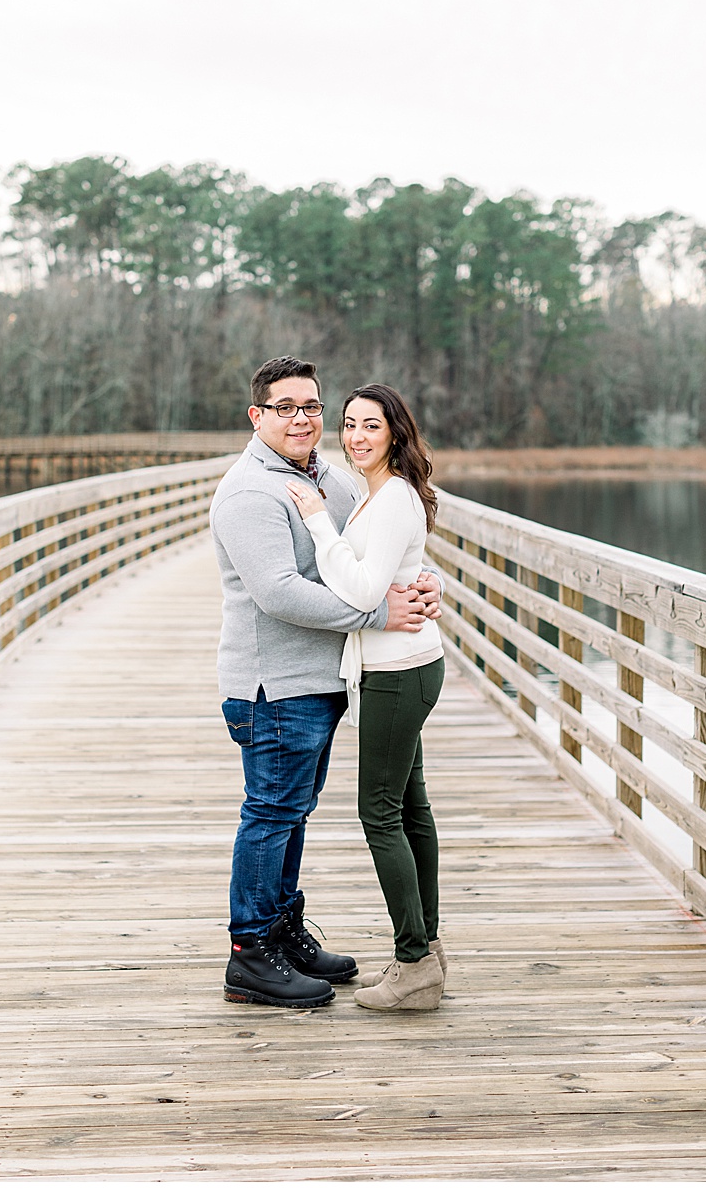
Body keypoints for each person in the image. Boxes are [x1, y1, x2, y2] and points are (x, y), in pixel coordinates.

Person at [211, 356, 442, 1009]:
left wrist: (426, 585)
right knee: (271, 812)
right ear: (257, 416)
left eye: (311, 406)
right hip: (274, 684)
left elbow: (380, 548)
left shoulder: (330, 478)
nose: (301, 419)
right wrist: (378, 614)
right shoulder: (252, 492)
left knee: (293, 810)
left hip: (324, 677)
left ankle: (283, 932)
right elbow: (279, 592)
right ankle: (251, 952)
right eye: (284, 408)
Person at [287, 384, 447, 1012]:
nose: (356, 436)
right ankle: (427, 948)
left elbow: (361, 590)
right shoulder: (379, 494)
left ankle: (413, 965)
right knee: (410, 808)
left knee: (379, 813)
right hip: (405, 665)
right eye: (349, 424)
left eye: (371, 426)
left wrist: (317, 522)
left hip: (397, 671)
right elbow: (395, 572)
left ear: (395, 433)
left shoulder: (392, 499)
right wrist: (424, 579)